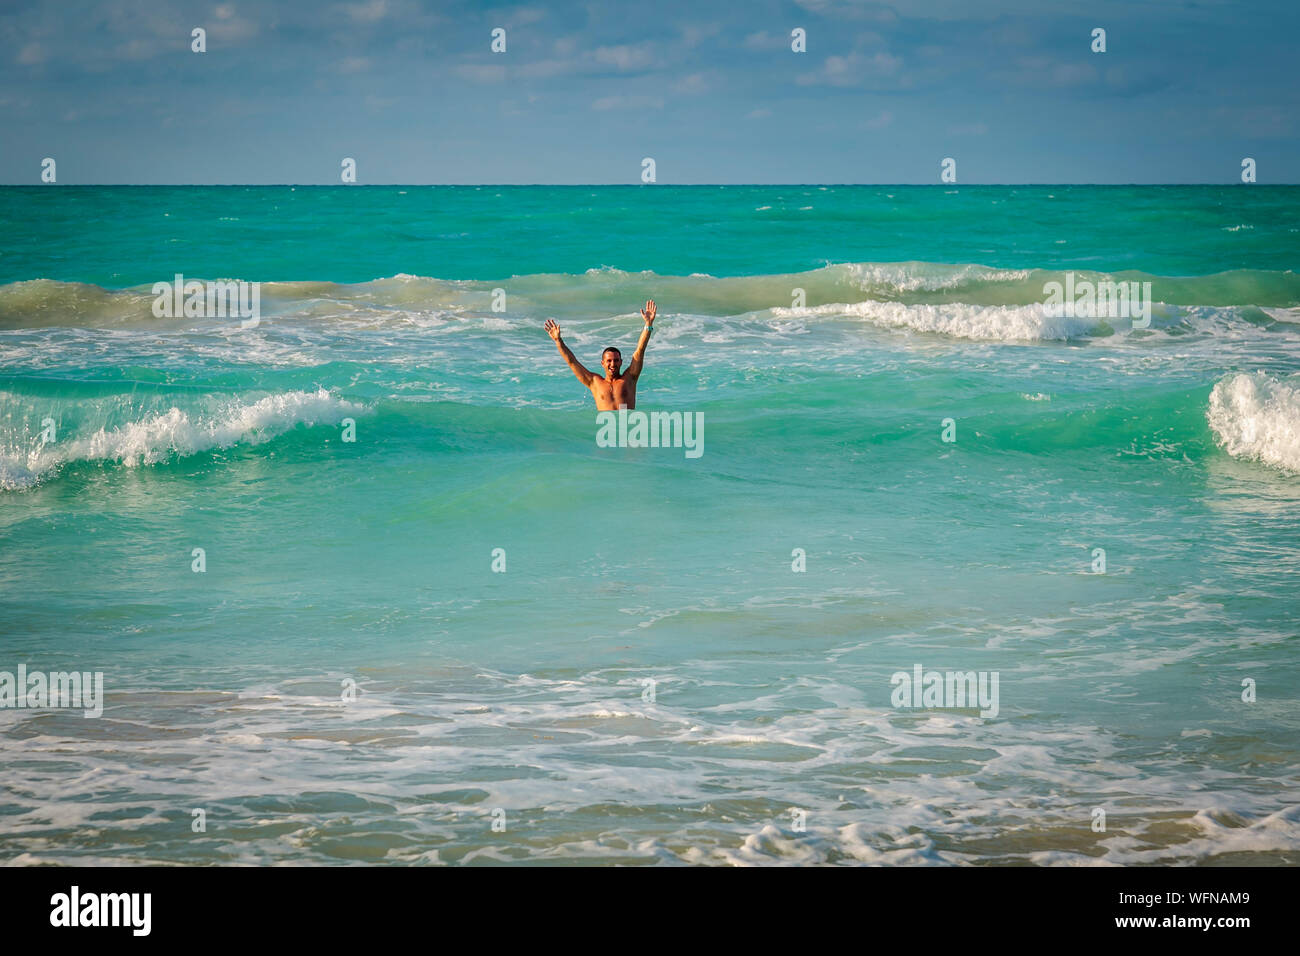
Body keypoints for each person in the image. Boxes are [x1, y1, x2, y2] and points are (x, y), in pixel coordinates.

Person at [544, 300, 656, 410]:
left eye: (616, 360)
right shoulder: (594, 382)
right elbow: (572, 362)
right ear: (602, 363)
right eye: (609, 361)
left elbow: (640, 350)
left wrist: (648, 325)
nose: (613, 364)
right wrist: (558, 341)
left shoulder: (630, 378)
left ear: (621, 362)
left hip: (626, 426)